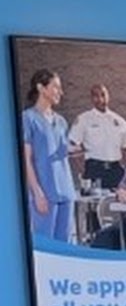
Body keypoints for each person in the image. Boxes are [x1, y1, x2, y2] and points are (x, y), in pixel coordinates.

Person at [20, 67, 75, 244]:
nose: (61, 92)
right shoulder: (27, 119)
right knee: (46, 245)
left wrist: (75, 150)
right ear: (41, 88)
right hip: (44, 192)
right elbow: (26, 160)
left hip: (66, 191)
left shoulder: (61, 121)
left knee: (66, 247)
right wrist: (37, 192)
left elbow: (60, 152)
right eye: (56, 87)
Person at [70, 84, 126, 191]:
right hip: (94, 169)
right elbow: (72, 146)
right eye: (96, 96)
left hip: (116, 169)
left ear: (108, 96)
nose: (100, 99)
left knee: (118, 200)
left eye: (103, 95)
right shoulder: (84, 119)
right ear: (91, 98)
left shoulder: (119, 120)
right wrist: (82, 171)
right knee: (94, 201)